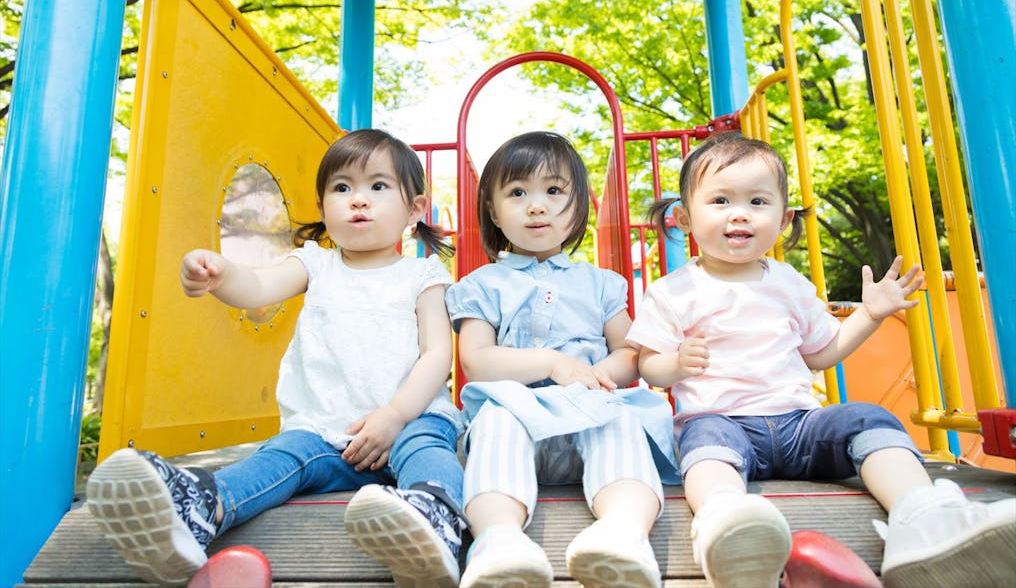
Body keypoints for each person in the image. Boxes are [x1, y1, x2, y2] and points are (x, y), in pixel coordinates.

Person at [626, 131, 1016, 588]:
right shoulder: (674, 290)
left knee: (868, 418)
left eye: (757, 201)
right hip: (722, 420)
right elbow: (646, 363)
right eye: (720, 201)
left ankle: (920, 514)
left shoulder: (789, 283)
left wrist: (870, 314)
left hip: (798, 425)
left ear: (783, 217)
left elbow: (822, 353)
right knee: (704, 448)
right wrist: (673, 365)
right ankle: (726, 523)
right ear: (685, 219)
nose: (739, 214)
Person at [87, 129, 468, 587]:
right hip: (331, 431)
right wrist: (221, 274)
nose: (358, 200)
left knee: (428, 449)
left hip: (411, 417)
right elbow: (259, 287)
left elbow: (437, 354)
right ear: (324, 207)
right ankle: (201, 507)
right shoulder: (315, 264)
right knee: (284, 455)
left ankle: (436, 518)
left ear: (414, 210)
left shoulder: (421, 273)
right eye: (342, 188)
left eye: (378, 187)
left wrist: (394, 415)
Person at [445, 131, 678, 588]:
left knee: (620, 421)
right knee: (495, 421)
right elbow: (476, 359)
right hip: (518, 416)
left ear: (578, 207)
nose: (537, 206)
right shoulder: (484, 283)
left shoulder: (601, 284)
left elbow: (629, 353)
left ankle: (623, 534)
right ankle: (498, 541)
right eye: (517, 193)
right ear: (493, 210)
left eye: (554, 191)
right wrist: (551, 362)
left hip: (587, 411)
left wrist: (598, 375)